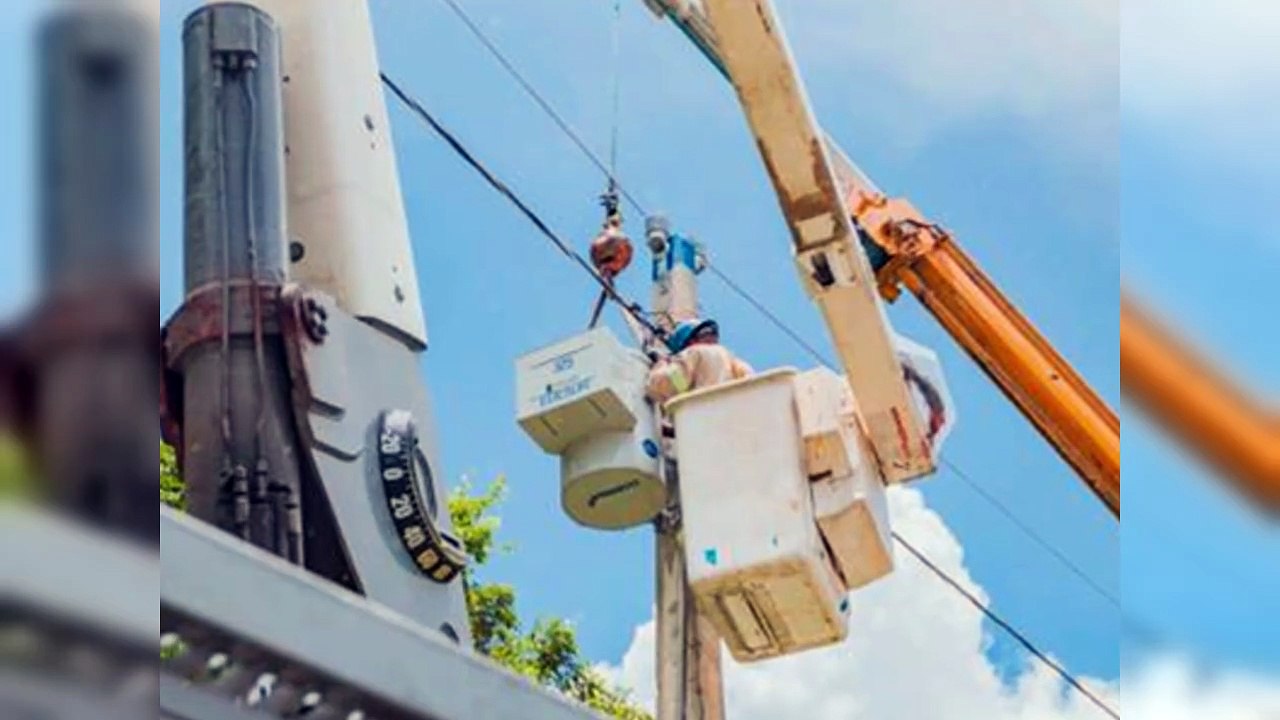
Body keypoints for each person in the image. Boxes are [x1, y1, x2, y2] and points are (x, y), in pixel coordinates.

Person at [646, 318, 753, 405]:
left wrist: (661, 364)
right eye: (705, 332)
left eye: (712, 332)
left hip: (702, 415)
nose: (710, 336)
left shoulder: (694, 352)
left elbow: (671, 385)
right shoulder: (733, 360)